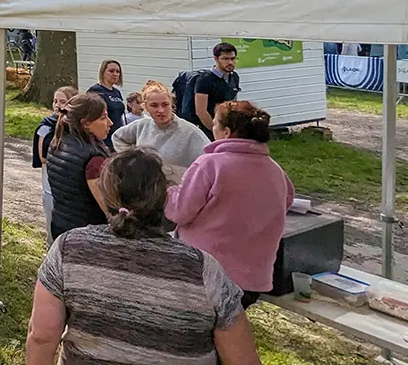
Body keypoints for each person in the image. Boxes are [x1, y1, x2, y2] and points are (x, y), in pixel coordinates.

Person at [26, 149, 263, 365]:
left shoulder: (69, 249)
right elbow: (242, 359)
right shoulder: (204, 269)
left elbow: (42, 337)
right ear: (164, 197)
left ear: (107, 196)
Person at [168, 101, 295, 308]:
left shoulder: (209, 164)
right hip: (252, 280)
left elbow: (180, 212)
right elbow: (285, 202)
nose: (212, 128)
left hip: (206, 274)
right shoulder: (276, 171)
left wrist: (169, 191)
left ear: (226, 132)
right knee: (231, 327)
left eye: (215, 124)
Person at [45, 93, 113, 240]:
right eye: (103, 118)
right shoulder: (94, 159)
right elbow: (107, 208)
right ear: (85, 123)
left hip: (60, 225)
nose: (110, 123)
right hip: (87, 234)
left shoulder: (58, 143)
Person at [112, 80, 210, 169]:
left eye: (165, 105)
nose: (161, 110)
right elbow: (118, 137)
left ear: (171, 104)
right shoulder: (141, 126)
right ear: (146, 107)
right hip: (146, 181)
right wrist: (134, 159)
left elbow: (211, 159)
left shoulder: (190, 132)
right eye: (154, 105)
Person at [33, 86, 76, 241]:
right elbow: (43, 157)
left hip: (72, 187)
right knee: (52, 222)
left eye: (62, 102)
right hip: (51, 185)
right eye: (55, 101)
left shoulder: (77, 127)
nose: (57, 105)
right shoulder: (46, 126)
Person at [192, 42, 241, 140]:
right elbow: (201, 111)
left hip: (227, 130)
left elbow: (233, 104)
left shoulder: (234, 77)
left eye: (233, 58)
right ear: (216, 58)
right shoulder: (205, 79)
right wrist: (215, 130)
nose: (230, 62)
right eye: (225, 59)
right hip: (209, 131)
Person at [87, 58, 126, 143]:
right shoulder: (95, 91)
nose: (115, 74)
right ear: (103, 72)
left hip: (118, 136)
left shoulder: (117, 92)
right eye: (111, 71)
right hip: (104, 137)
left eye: (118, 72)